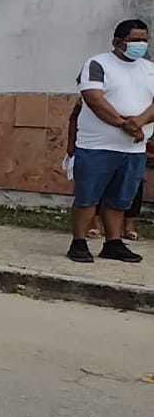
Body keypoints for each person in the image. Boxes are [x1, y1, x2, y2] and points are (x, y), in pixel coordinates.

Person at [68, 19, 154, 263]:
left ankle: (113, 242)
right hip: (97, 146)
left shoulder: (150, 68)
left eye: (144, 40)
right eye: (135, 40)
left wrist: (137, 122)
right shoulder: (97, 64)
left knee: (120, 198)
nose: (141, 45)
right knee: (87, 196)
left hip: (134, 148)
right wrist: (123, 124)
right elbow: (94, 99)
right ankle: (79, 242)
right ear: (118, 42)